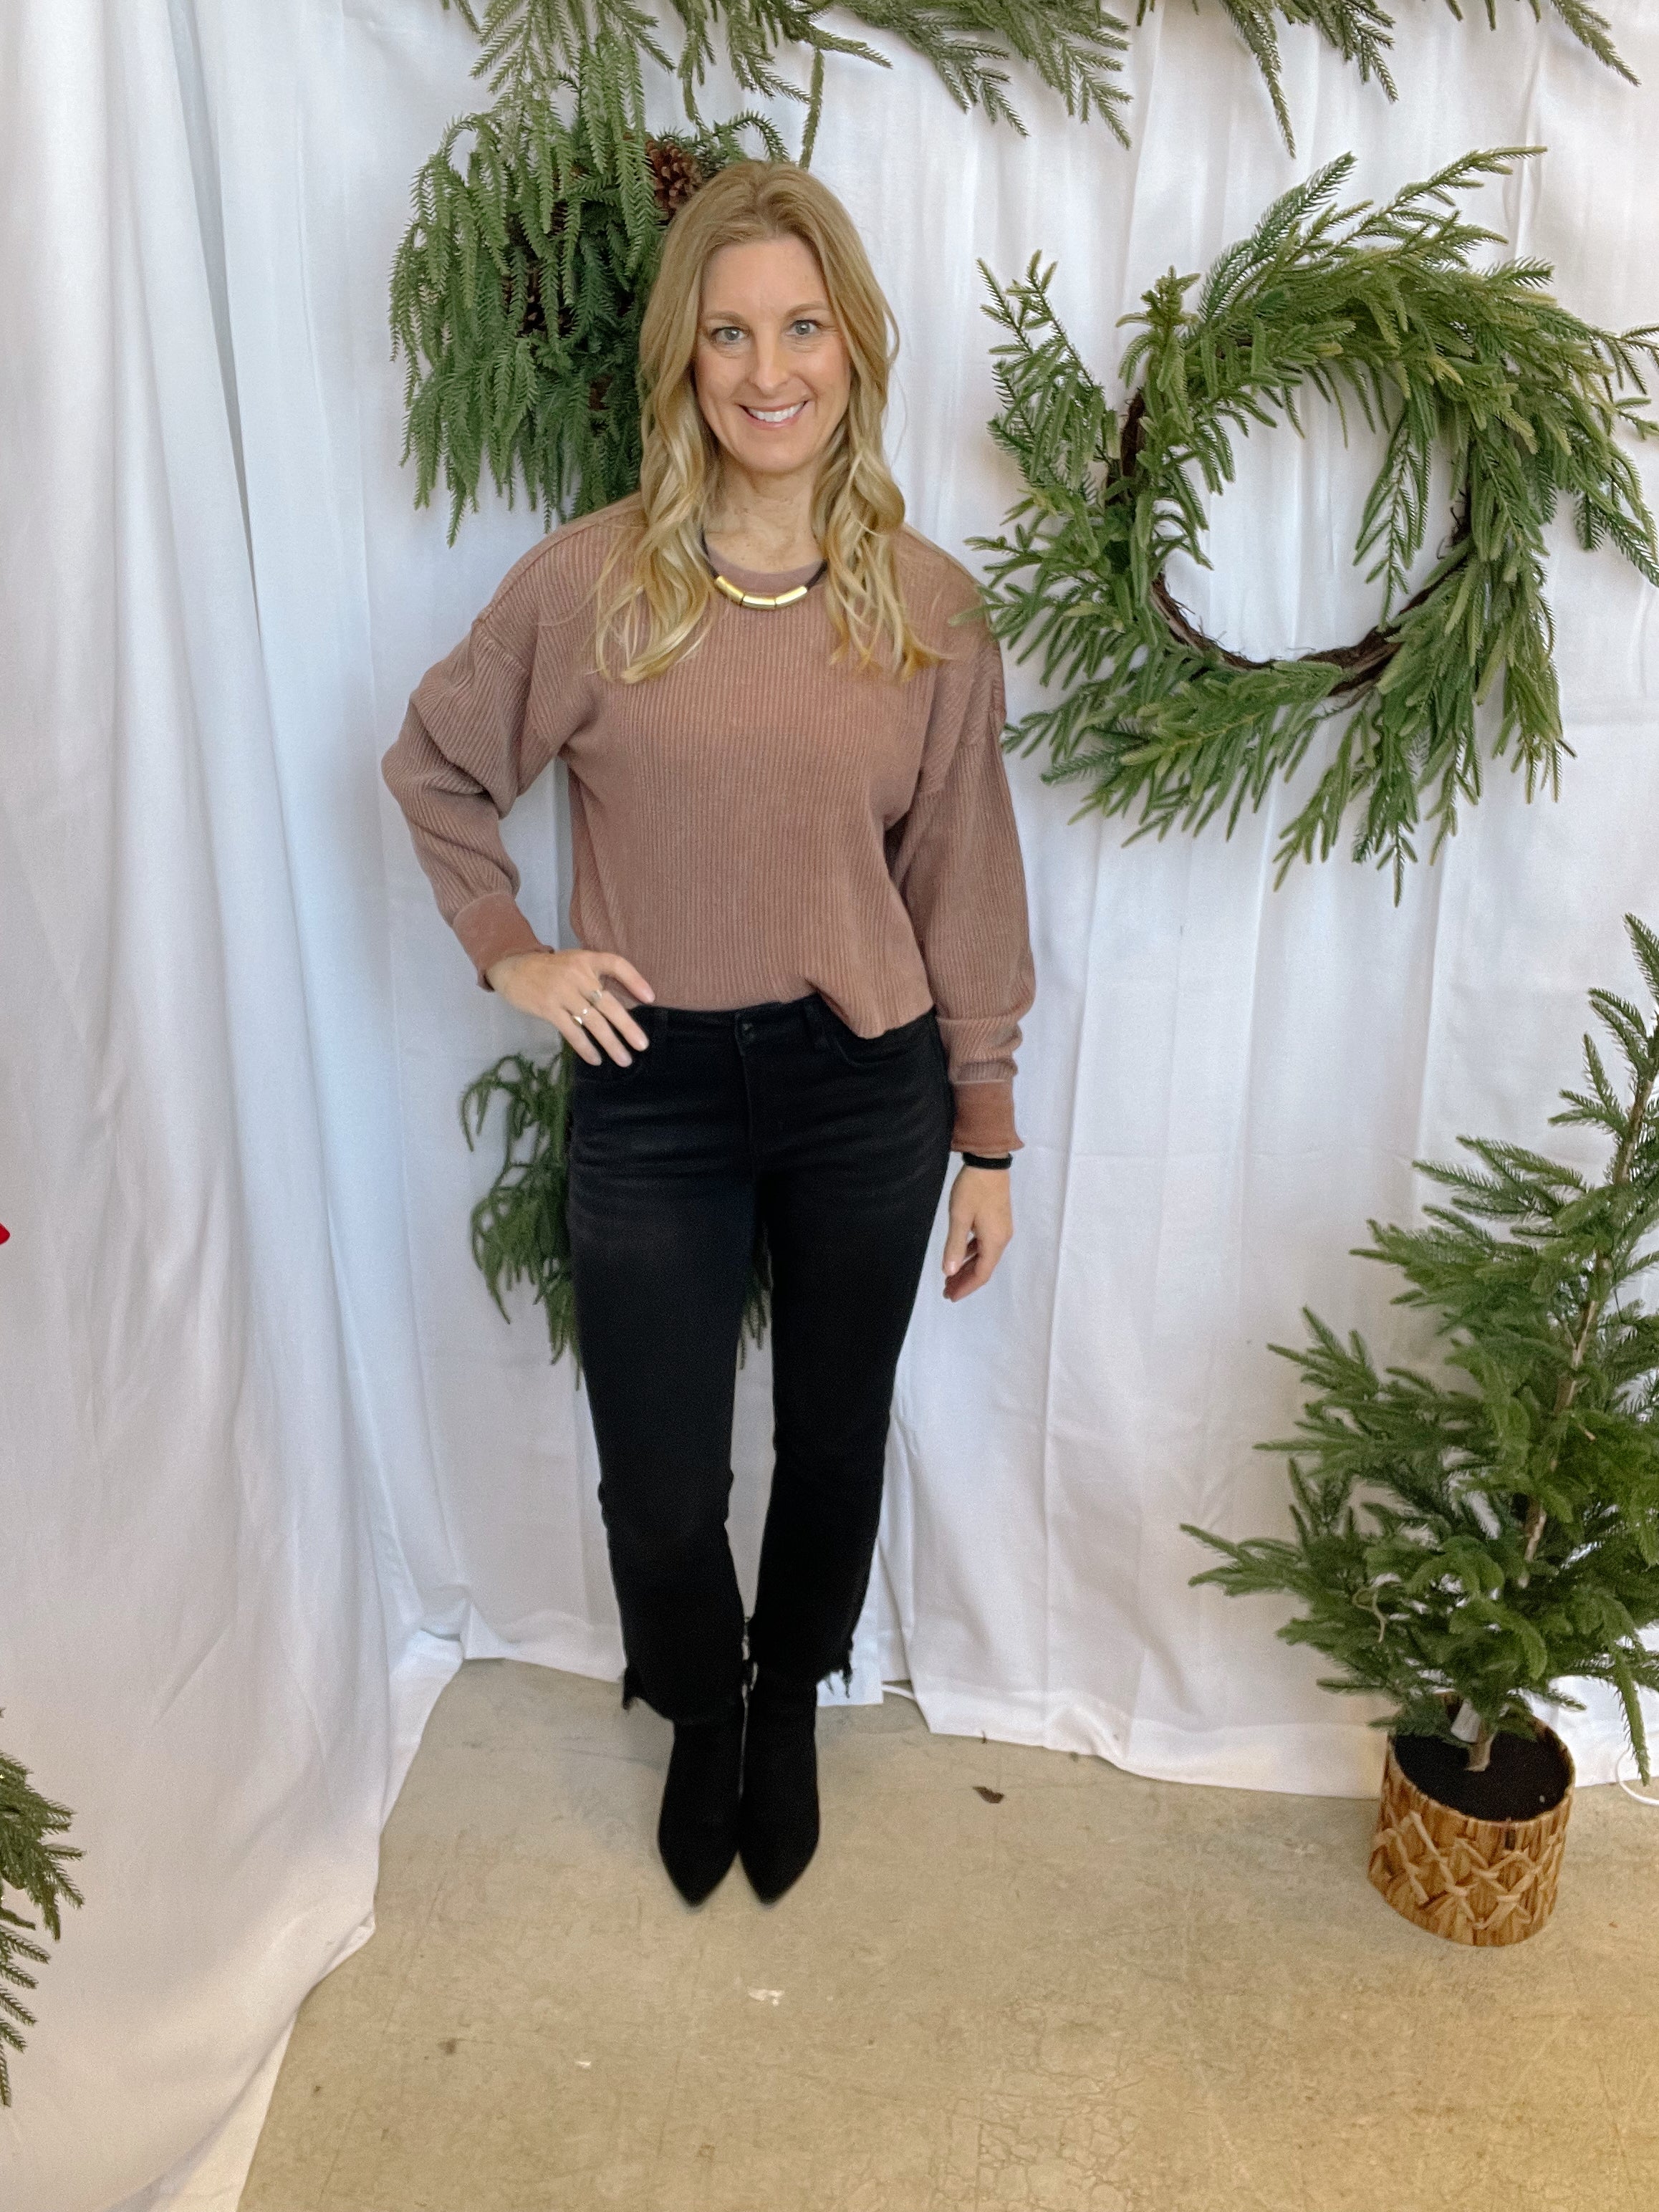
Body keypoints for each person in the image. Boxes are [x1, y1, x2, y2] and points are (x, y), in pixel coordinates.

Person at [383, 161, 1034, 1905]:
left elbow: (964, 871)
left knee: (834, 1434)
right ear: (684, 354)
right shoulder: (589, 587)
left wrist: (984, 1127)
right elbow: (435, 766)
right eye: (731, 331)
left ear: (854, 348)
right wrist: (514, 952)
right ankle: (701, 1696)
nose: (769, 369)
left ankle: (791, 1691)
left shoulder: (928, 606)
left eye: (803, 326)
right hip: (653, 1084)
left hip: (864, 1086)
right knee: (663, 1478)